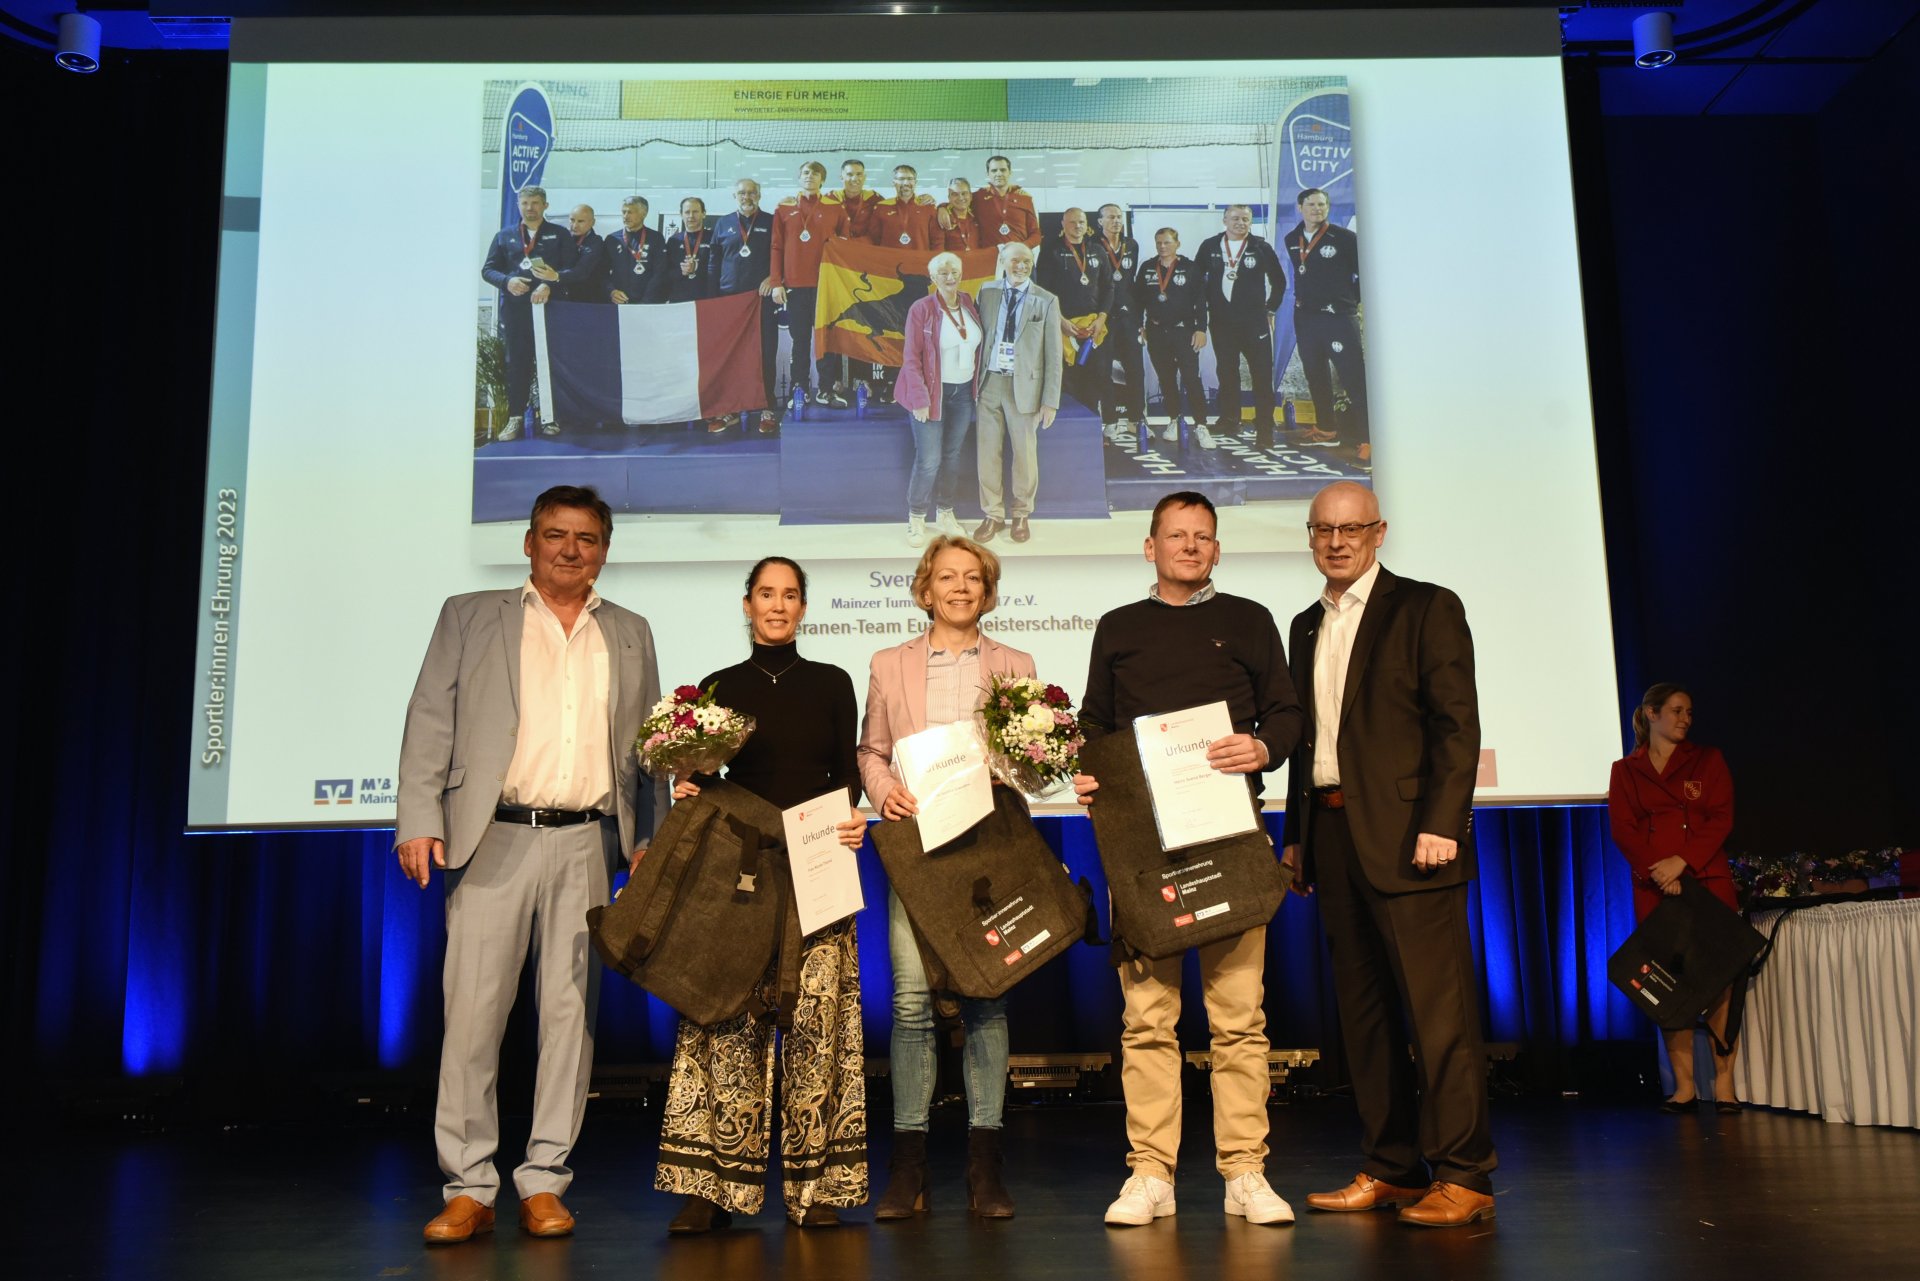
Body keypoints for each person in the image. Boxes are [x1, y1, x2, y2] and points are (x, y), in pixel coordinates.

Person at [397, 485, 664, 1245]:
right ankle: (468, 1184)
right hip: (494, 837)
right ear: (529, 542)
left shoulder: (632, 631)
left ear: (603, 550)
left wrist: (650, 837)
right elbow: (429, 719)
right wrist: (418, 818)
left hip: (587, 842)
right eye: (555, 534)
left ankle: (545, 1180)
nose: (569, 549)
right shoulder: (469, 615)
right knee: (474, 1017)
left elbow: (651, 751)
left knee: (569, 1021)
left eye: (585, 538)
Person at [1071, 491, 1304, 1229]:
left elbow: (1289, 712)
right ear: (1151, 547)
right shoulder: (1117, 628)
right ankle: (1152, 1173)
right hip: (1141, 846)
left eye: (1203, 536)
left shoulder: (1249, 620)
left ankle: (1245, 1171)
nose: (1191, 546)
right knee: (1147, 1016)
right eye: (1177, 535)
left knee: (1239, 1017)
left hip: (1230, 830)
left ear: (1216, 549)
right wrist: (1086, 769)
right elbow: (1094, 725)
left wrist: (1264, 746)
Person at [1279, 480, 1496, 1228]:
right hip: (1334, 837)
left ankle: (1466, 1173)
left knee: (1440, 1017)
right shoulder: (1305, 624)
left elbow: (1456, 726)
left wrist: (1442, 820)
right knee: (1365, 1018)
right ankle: (1394, 1166)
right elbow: (1308, 744)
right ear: (1311, 538)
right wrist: (1298, 837)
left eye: (1352, 528)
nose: (1336, 541)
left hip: (1415, 841)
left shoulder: (1427, 606)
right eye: (1323, 530)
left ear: (1379, 532)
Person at [654, 557, 869, 1232]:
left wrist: (851, 818)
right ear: (747, 604)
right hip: (738, 874)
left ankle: (819, 1186)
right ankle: (711, 1186)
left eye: (790, 595)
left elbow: (848, 776)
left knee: (818, 1027)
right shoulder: (720, 687)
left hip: (817, 863)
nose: (778, 605)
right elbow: (707, 777)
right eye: (766, 594)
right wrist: (685, 783)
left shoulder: (832, 682)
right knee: (722, 1018)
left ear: (803, 606)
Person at [857, 536, 1032, 1220]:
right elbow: (871, 749)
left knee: (987, 998)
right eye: (947, 577)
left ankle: (986, 1170)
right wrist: (882, 790)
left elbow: (1029, 756)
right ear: (925, 588)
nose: (960, 588)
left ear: (988, 591)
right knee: (909, 1004)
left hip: (990, 847)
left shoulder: (1015, 663)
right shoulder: (888, 662)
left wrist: (1010, 770)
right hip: (916, 847)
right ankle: (908, 1170)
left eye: (974, 578)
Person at [1607, 682, 1740, 1113]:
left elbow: (1720, 817)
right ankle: (1684, 1087)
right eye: (1678, 710)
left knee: (1720, 979)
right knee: (1668, 984)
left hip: (1706, 878)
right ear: (1651, 714)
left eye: (1689, 712)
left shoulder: (1707, 759)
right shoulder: (1625, 770)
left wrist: (1683, 861)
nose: (1686, 718)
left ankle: (1724, 1085)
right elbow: (1624, 829)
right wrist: (1660, 871)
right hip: (1655, 885)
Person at [972, 241, 1062, 546]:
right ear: (1002, 261)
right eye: (1015, 261)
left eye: (1026, 261)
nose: (1021, 266)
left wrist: (1050, 400)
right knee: (987, 453)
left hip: (1025, 387)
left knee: (1024, 454)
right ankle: (993, 514)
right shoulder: (986, 292)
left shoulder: (1047, 300)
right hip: (989, 383)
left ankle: (1022, 514)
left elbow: (1054, 355)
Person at [894, 251, 982, 547]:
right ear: (933, 278)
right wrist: (920, 399)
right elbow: (911, 357)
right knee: (929, 460)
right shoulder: (922, 308)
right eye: (942, 272)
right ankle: (917, 517)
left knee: (952, 456)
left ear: (961, 272)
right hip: (931, 394)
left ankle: (945, 513)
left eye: (953, 270)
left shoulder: (969, 303)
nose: (949, 276)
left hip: (962, 392)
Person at [1282, 188, 1370, 468]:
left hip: (1338, 318)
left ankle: (1368, 439)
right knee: (1315, 374)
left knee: (1353, 378)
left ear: (1328, 208)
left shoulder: (1345, 239)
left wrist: (1347, 301)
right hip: (1306, 318)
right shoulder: (1290, 239)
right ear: (1300, 208)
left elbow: (1365, 274)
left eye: (1322, 204)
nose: (1317, 209)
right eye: (1311, 204)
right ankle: (1327, 429)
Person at [480, 186, 570, 441]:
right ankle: (515, 417)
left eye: (535, 203)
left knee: (549, 363)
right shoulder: (504, 235)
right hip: (516, 311)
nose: (530, 207)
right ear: (519, 205)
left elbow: (571, 269)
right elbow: (488, 270)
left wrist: (549, 284)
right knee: (517, 364)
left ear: (545, 206)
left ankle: (550, 417)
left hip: (550, 310)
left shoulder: (559, 234)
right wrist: (507, 281)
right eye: (525, 203)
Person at [1195, 205, 1286, 451]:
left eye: (1245, 219)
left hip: (1254, 322)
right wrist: (1200, 321)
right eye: (1235, 218)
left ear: (1251, 222)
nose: (1240, 223)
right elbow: (1196, 283)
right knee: (1227, 372)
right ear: (1224, 220)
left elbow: (1279, 281)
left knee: (1261, 375)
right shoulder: (1209, 246)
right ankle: (1229, 420)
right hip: (1222, 322)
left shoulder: (1261, 247)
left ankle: (1265, 430)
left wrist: (1271, 309)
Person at [770, 161, 852, 409]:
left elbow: (846, 249)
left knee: (826, 340)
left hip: (826, 286)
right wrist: (776, 282)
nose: (810, 176)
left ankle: (825, 390)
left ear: (822, 180)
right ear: (799, 177)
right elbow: (776, 247)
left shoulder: (835, 208)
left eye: (815, 174)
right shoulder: (784, 209)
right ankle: (800, 388)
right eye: (805, 172)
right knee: (800, 340)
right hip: (795, 286)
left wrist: (842, 284)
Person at [706, 178, 780, 435]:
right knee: (732, 358)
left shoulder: (772, 221)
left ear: (759, 194)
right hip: (729, 302)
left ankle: (767, 407)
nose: (746, 197)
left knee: (764, 354)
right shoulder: (723, 224)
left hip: (761, 301)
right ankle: (731, 410)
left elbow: (782, 255)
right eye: (742, 193)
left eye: (751, 192)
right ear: (733, 196)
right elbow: (713, 262)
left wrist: (774, 277)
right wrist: (714, 297)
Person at [1035, 207, 1113, 416]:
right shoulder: (1051, 250)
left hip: (1093, 327)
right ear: (1063, 224)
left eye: (1081, 222)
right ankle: (1068, 430)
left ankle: (1092, 426)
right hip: (1063, 327)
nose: (1077, 226)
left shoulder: (1097, 250)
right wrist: (1059, 320)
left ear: (1087, 225)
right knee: (1067, 377)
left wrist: (1102, 319)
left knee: (1096, 375)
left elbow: (1109, 288)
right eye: (1072, 222)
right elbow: (1042, 290)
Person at [1134, 229, 1208, 450]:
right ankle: (1174, 420)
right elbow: (1138, 300)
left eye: (1167, 242)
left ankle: (1202, 425)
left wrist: (1201, 329)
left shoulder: (1190, 267)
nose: (1162, 247)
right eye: (1158, 243)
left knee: (1191, 378)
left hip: (1184, 332)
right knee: (1165, 379)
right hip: (1156, 332)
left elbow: (1201, 301)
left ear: (1177, 243)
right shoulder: (1147, 268)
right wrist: (1140, 326)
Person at [1094, 204, 1145, 443]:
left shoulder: (1131, 245)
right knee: (1103, 371)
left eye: (1119, 217)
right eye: (1110, 217)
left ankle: (1137, 420)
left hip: (1128, 315)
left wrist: (1138, 317)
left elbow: (1131, 280)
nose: (1116, 221)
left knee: (1135, 368)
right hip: (1103, 316)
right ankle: (1111, 421)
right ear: (1100, 221)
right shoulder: (1092, 246)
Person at [605, 195, 669, 307]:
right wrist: (611, 291)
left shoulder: (656, 238)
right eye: (623, 212)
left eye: (630, 212)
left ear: (644, 213)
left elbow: (660, 272)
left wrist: (647, 301)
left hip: (647, 303)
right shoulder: (612, 239)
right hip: (619, 303)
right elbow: (602, 272)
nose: (625, 216)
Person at [969, 155, 1042, 250]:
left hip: (1018, 257)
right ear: (988, 173)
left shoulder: (1025, 199)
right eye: (994, 170)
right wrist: (943, 208)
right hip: (989, 259)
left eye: (1003, 170)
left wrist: (1022, 247)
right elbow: (956, 205)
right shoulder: (977, 198)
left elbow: (1036, 234)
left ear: (1010, 172)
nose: (999, 174)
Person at [665, 197, 714, 304]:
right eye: (687, 212)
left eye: (695, 211)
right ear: (681, 214)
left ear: (704, 214)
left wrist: (697, 268)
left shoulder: (713, 238)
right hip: (679, 300)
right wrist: (681, 272)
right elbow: (666, 272)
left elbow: (719, 270)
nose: (691, 216)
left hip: (706, 299)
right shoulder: (673, 240)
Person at [558, 204, 606, 303]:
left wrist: (555, 276)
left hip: (587, 300)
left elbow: (581, 271)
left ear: (592, 222)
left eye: (580, 221)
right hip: (562, 297)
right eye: (572, 220)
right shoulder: (562, 239)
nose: (575, 225)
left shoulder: (596, 242)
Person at [941, 177, 985, 253]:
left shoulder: (978, 218)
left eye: (964, 193)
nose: (961, 198)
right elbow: (938, 251)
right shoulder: (942, 220)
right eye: (955, 194)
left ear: (971, 196)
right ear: (949, 198)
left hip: (976, 263)